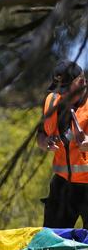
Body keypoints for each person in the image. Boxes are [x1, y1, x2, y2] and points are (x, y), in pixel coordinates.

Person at [37, 60, 88, 228]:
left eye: (67, 89)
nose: (63, 95)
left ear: (81, 81)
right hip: (62, 184)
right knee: (51, 246)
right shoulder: (51, 101)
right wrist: (45, 142)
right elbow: (41, 135)